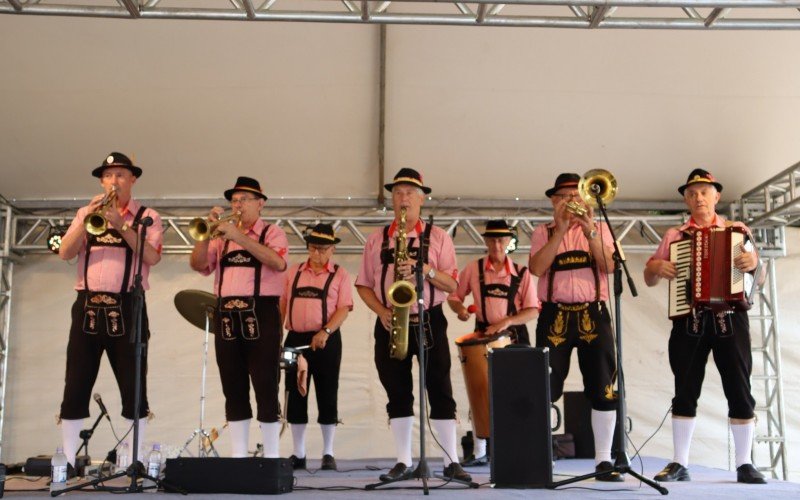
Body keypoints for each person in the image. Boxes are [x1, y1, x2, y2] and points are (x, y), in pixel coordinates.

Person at [643, 168, 766, 484]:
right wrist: (657, 266)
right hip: (689, 318)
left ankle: (744, 463)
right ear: (686, 199)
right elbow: (649, 277)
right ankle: (680, 462)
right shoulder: (675, 235)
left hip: (731, 317)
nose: (699, 197)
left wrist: (754, 264)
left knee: (739, 387)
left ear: (716, 196)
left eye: (704, 191)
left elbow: (758, 278)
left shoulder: (738, 230)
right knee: (685, 388)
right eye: (693, 193)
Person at [355, 168, 470, 482]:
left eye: (409, 193)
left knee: (440, 388)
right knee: (398, 391)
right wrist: (381, 311)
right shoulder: (377, 238)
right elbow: (363, 284)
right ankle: (404, 461)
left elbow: (452, 284)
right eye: (398, 193)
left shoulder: (439, 237)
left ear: (422, 199)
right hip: (390, 318)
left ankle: (450, 461)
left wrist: (426, 270)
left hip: (429, 318)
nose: (403, 198)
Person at [58, 152, 163, 472]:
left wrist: (122, 227)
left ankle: (133, 459)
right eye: (108, 176)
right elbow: (65, 252)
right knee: (76, 383)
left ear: (132, 180)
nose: (114, 181)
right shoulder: (86, 213)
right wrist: (87, 219)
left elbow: (152, 257)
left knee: (133, 386)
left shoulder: (147, 216)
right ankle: (67, 459)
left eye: (120, 175)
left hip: (128, 306)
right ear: (102, 182)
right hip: (88, 305)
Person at [528, 172, 621, 481]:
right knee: (544, 387)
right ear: (554, 202)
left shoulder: (600, 228)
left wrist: (590, 230)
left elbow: (609, 266)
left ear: (586, 198)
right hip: (554, 315)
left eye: (575, 195)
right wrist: (561, 231)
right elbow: (537, 268)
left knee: (603, 386)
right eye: (563, 197)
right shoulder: (543, 231)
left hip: (593, 313)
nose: (570, 201)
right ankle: (542, 456)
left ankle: (604, 461)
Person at [190, 176, 288, 458]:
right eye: (234, 200)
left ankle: (271, 456)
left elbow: (278, 262)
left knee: (265, 384)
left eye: (244, 199)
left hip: (262, 313)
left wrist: (239, 237)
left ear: (261, 204)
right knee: (232, 386)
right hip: (227, 315)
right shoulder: (221, 238)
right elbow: (199, 265)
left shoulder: (272, 232)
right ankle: (238, 456)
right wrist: (204, 236)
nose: (238, 205)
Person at [447, 219, 539, 466]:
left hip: (515, 338)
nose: (497, 245)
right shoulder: (473, 269)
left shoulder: (522, 273)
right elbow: (454, 296)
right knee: (480, 390)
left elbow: (532, 310)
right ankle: (479, 451)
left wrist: (506, 322)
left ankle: (517, 448)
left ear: (509, 242)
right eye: (492, 240)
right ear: (486, 241)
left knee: (518, 394)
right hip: (482, 337)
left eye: (501, 240)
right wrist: (461, 310)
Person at [280, 223, 353, 471]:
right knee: (294, 392)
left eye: (323, 249)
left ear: (332, 249)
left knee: (327, 391)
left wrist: (326, 331)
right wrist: (276, 335)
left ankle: (328, 452)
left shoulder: (340, 275)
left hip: (326, 340)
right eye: (313, 248)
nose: (317, 254)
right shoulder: (293, 272)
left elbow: (344, 308)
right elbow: (282, 304)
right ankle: (298, 453)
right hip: (294, 339)